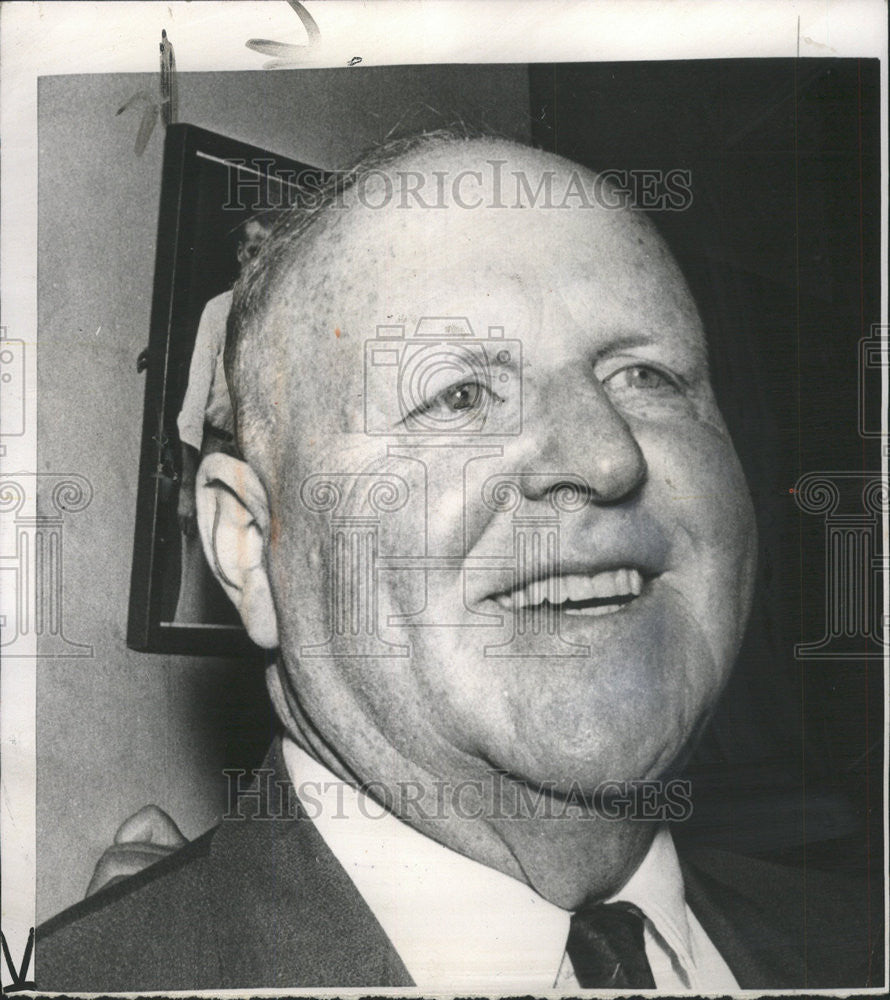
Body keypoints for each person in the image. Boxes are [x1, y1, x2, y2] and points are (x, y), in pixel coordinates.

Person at [36, 135, 881, 992]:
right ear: (251, 547)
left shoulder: (858, 945)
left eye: (646, 376)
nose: (606, 457)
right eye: (459, 395)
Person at [172, 216, 269, 623]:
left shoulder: (273, 321)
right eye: (253, 251)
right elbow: (193, 406)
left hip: (253, 463)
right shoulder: (217, 312)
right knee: (199, 574)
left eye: (269, 253)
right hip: (210, 454)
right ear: (239, 256)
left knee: (245, 575)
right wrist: (185, 489)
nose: (259, 261)